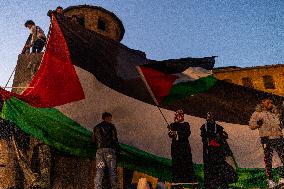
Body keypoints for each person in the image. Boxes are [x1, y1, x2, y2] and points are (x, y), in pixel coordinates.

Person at [249, 99, 284, 188]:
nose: (270, 104)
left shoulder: (274, 114)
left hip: (278, 138)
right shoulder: (257, 113)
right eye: (268, 102)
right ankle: (270, 180)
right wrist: (258, 123)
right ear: (262, 102)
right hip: (267, 139)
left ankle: (282, 177)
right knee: (268, 160)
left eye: (271, 102)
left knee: (283, 157)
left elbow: (280, 124)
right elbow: (251, 125)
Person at [201, 112, 237, 189]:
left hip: (218, 153)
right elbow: (205, 139)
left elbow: (224, 137)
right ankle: (210, 185)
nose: (210, 118)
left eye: (211, 117)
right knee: (210, 169)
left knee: (220, 168)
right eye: (208, 117)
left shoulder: (219, 127)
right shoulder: (204, 127)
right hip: (209, 152)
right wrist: (213, 138)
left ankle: (222, 183)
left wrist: (219, 137)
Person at [168, 110, 196, 187]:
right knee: (176, 163)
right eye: (179, 115)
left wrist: (176, 133)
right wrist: (172, 129)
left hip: (184, 148)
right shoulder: (172, 125)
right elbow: (170, 134)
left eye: (182, 115)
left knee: (186, 163)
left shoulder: (186, 124)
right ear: (176, 116)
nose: (181, 116)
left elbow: (187, 133)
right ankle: (176, 182)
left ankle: (190, 181)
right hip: (176, 148)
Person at [93, 112, 120, 189]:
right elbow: (115, 139)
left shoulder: (96, 127)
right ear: (106, 118)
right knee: (112, 171)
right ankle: (114, 187)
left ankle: (97, 187)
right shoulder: (111, 127)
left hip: (99, 152)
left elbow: (94, 140)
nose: (111, 120)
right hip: (109, 151)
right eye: (110, 118)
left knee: (99, 171)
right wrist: (118, 150)